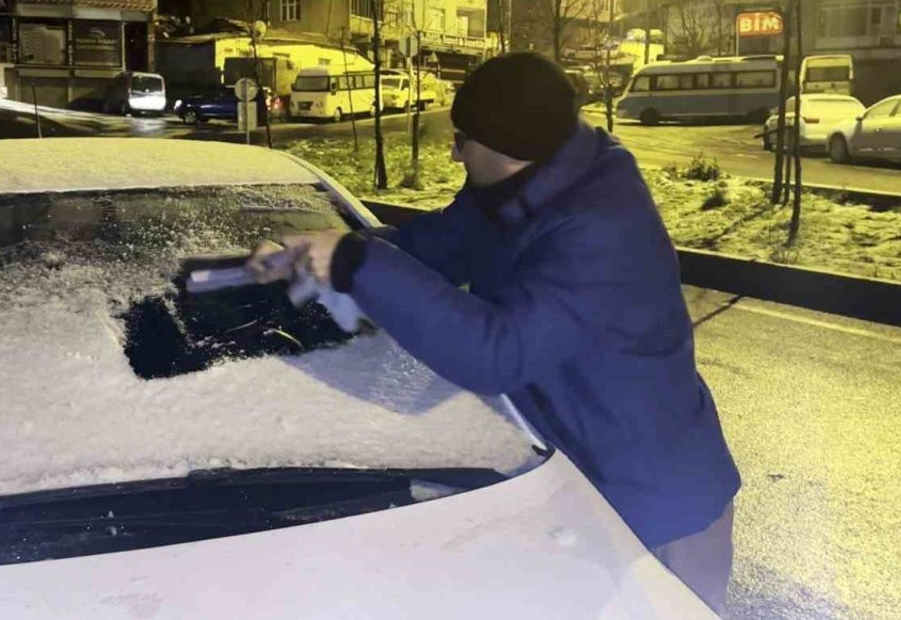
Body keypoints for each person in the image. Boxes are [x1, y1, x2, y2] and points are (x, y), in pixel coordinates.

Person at [249, 52, 741, 616]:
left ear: (504, 149)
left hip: (658, 511)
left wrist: (357, 263)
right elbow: (431, 249)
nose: (454, 150)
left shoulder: (600, 228)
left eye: (463, 138)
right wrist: (319, 253)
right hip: (572, 488)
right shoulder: (527, 187)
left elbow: (497, 353)